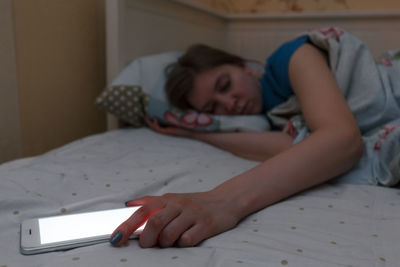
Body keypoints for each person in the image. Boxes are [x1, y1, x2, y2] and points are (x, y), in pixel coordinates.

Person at [109, 36, 364, 248]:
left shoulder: (291, 57)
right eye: (213, 108)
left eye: (225, 84)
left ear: (243, 66)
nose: (230, 103)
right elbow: (306, 151)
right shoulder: (268, 119)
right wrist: (192, 133)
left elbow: (340, 139)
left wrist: (221, 201)